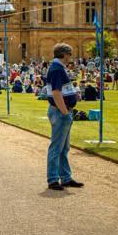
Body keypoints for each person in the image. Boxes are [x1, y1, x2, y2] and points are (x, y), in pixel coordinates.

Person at [45, 43, 83, 191]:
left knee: (64, 147)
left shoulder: (58, 68)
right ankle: (53, 179)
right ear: (63, 54)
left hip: (61, 110)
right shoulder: (56, 69)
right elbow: (56, 93)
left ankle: (65, 177)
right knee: (56, 147)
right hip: (60, 112)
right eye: (69, 54)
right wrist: (65, 113)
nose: (70, 58)